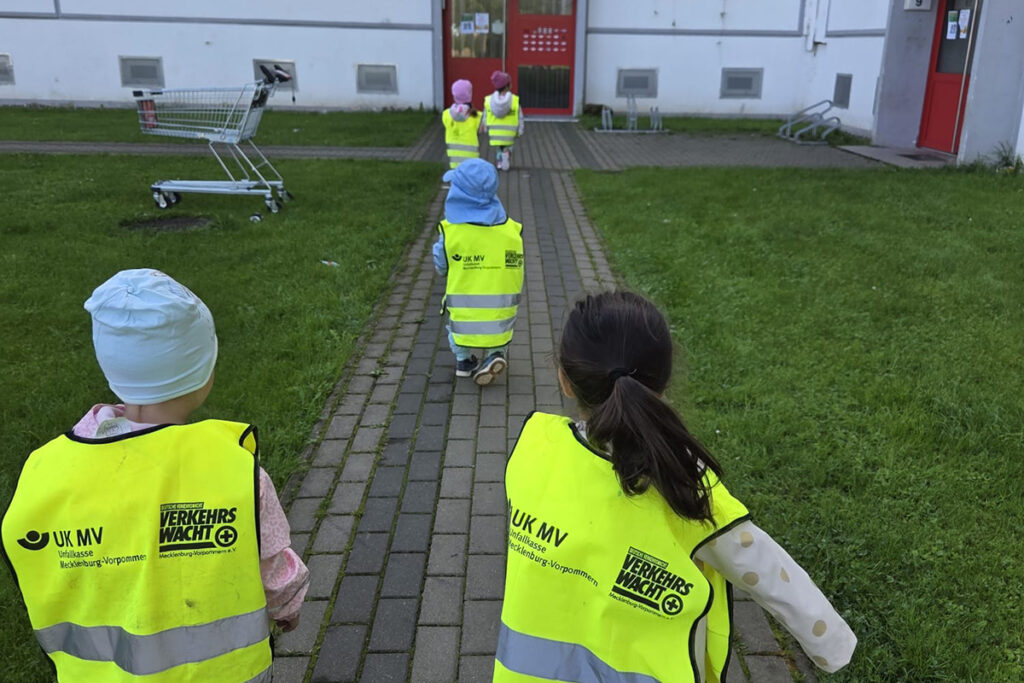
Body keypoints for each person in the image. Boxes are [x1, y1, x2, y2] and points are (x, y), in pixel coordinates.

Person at [497, 291, 857, 682]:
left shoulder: (535, 448)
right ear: (663, 383)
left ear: (565, 380)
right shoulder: (681, 483)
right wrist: (832, 645)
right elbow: (765, 570)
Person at [1, 269, 309, 682]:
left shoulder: (44, 470)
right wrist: (288, 609)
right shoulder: (234, 471)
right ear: (203, 373)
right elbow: (275, 570)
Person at [432, 158, 524, 385]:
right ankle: (496, 354)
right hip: (501, 307)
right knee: (499, 331)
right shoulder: (511, 229)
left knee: (456, 330)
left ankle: (464, 362)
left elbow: (441, 267)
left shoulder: (451, 231)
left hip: (463, 308)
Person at [481, 70, 524, 171]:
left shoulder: (489, 100)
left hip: (495, 133)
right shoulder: (514, 99)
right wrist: (520, 130)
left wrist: (485, 127)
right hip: (510, 132)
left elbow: (485, 115)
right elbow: (520, 116)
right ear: (507, 86)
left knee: (499, 147)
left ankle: (499, 162)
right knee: (507, 146)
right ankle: (507, 154)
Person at [443, 78, 482, 170]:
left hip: (454, 159)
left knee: (457, 181)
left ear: (454, 96)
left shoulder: (446, 114)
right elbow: (481, 130)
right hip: (471, 159)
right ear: (470, 95)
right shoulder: (477, 116)